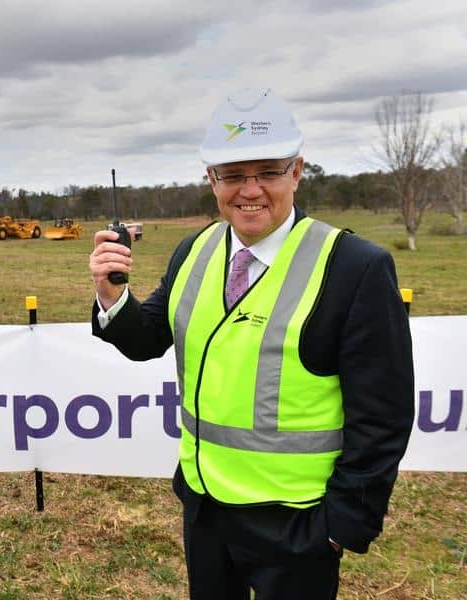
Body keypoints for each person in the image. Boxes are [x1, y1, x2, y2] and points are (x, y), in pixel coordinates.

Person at [88, 88, 414, 599]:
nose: (251, 190)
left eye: (267, 171)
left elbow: (384, 416)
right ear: (211, 180)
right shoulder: (195, 249)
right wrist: (111, 295)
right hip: (205, 509)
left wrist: (339, 528)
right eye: (233, 175)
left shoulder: (354, 266)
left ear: (298, 171)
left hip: (297, 524)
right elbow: (148, 338)